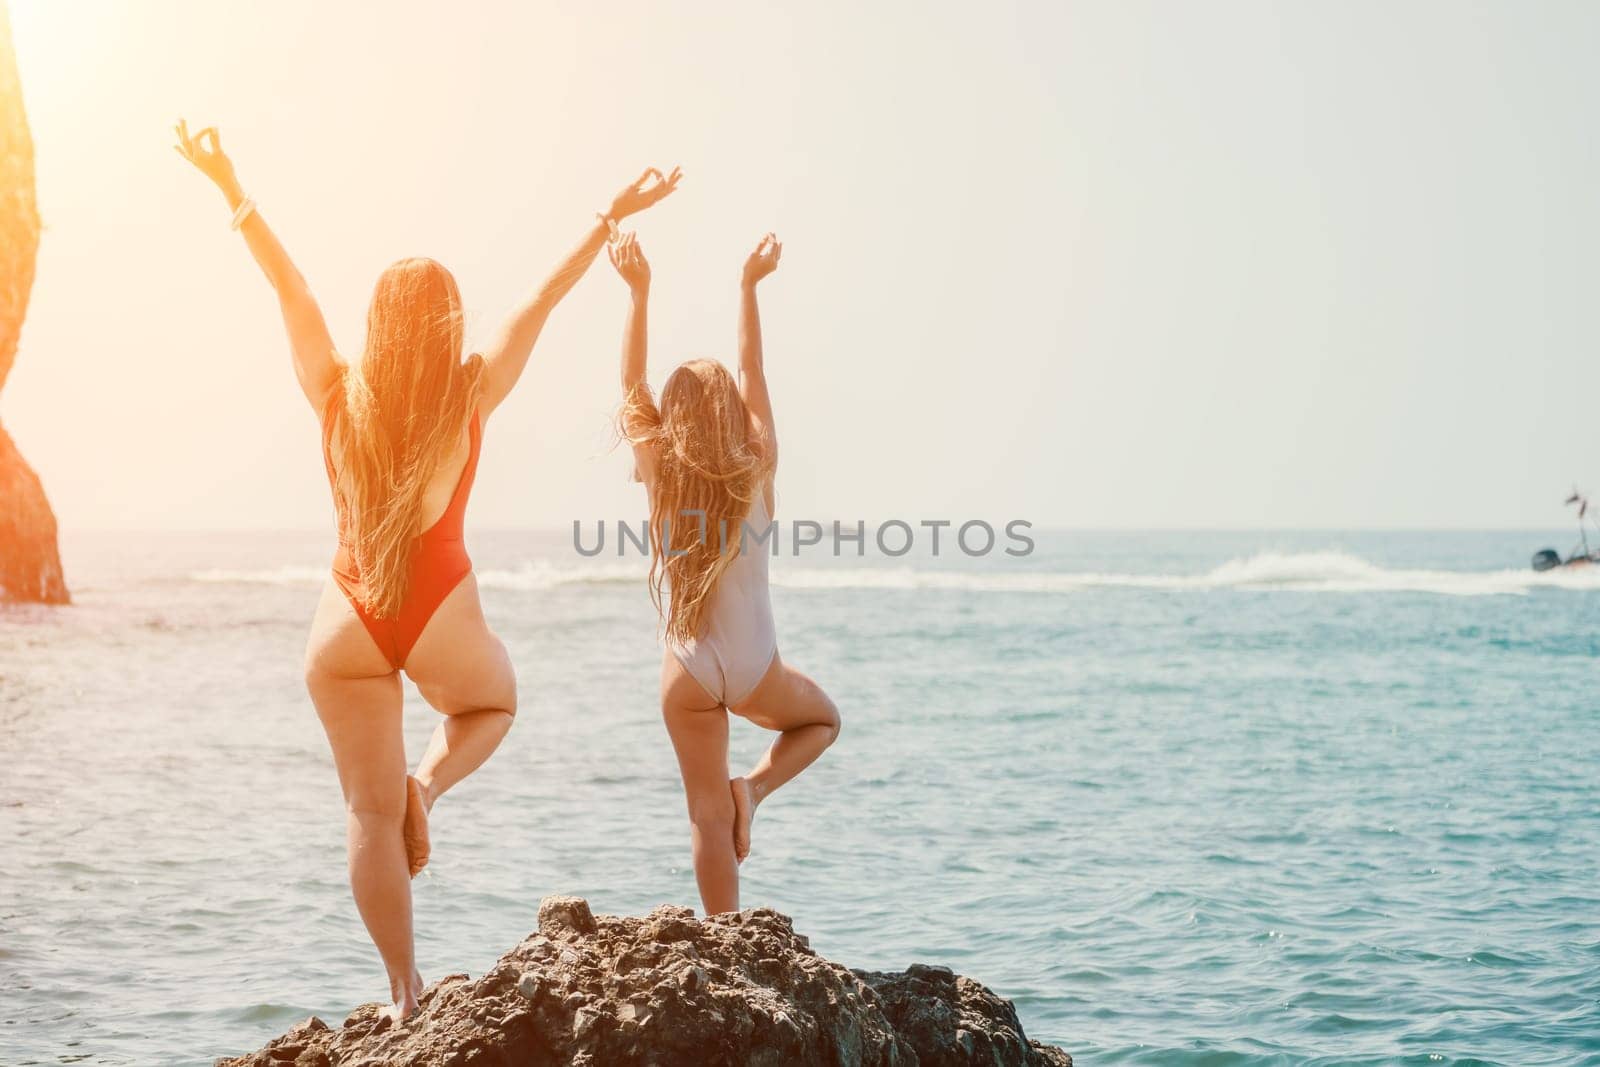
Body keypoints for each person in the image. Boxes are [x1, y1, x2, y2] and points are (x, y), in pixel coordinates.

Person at [174, 119, 679, 1019]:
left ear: (376, 324)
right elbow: (542, 298)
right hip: (439, 606)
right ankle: (430, 784)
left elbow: (286, 285)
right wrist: (610, 215)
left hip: (346, 614)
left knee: (368, 819)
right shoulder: (472, 390)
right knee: (492, 704)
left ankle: (403, 992)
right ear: (446, 322)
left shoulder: (334, 388)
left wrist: (229, 185)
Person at [608, 229, 841, 915]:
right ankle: (757, 790)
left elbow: (630, 385)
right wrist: (748, 285)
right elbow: (753, 373)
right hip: (754, 661)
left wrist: (638, 292)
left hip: (687, 667)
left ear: (674, 421)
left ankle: (726, 937)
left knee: (705, 817)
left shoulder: (662, 474)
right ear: (732, 415)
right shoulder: (760, 463)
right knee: (822, 721)